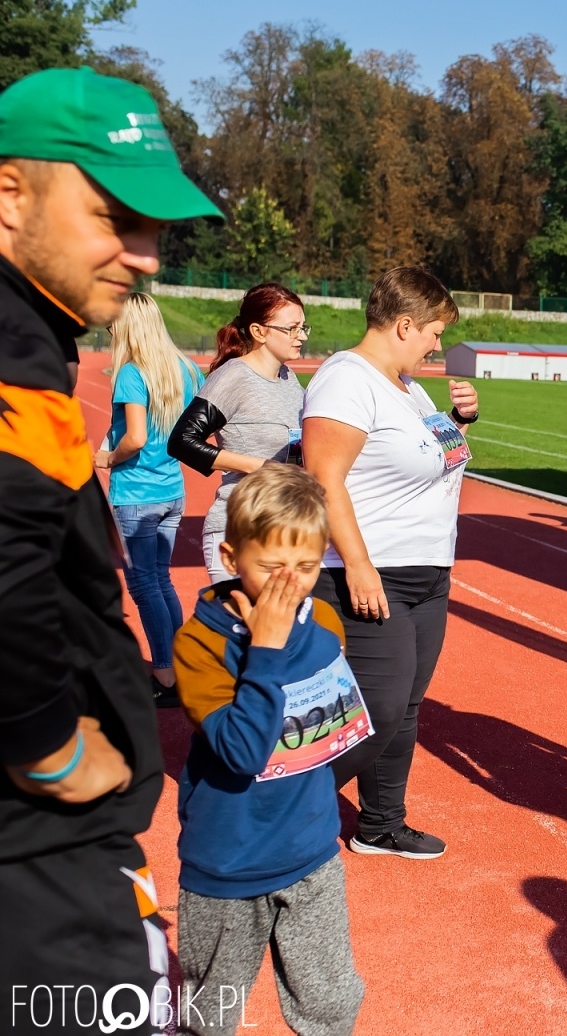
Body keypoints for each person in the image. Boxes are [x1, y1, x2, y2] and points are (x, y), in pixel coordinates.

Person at [0, 66, 221, 1025]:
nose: (145, 256)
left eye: (155, 230)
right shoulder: (11, 347)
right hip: (39, 863)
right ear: (9, 192)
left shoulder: (33, 335)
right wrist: (48, 744)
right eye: (113, 216)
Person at [171, 463, 364, 1036]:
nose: (291, 583)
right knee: (212, 1012)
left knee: (331, 1003)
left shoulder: (326, 619)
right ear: (231, 559)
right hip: (229, 859)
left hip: (311, 850)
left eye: (306, 567)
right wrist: (268, 650)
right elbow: (243, 752)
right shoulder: (199, 644)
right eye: (272, 567)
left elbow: (333, 724)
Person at [301, 266, 477, 860]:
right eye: (433, 332)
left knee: (405, 708)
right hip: (374, 571)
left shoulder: (408, 386)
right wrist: (357, 565)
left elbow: (435, 458)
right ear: (404, 325)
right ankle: (279, 813)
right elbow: (324, 479)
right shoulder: (345, 381)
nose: (438, 345)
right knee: (375, 707)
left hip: (427, 571)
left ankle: (379, 823)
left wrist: (460, 425)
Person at [98, 291, 203, 710]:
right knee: (161, 580)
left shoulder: (131, 372)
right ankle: (177, 665)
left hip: (137, 492)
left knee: (144, 584)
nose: (108, 333)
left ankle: (164, 674)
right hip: (172, 490)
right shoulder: (186, 368)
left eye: (111, 326)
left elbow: (136, 438)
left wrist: (107, 456)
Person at [169, 282, 308, 585]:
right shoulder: (234, 376)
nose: (302, 336)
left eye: (303, 327)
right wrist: (261, 467)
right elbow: (181, 441)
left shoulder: (289, 379)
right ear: (259, 332)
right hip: (242, 530)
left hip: (285, 527)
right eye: (292, 328)